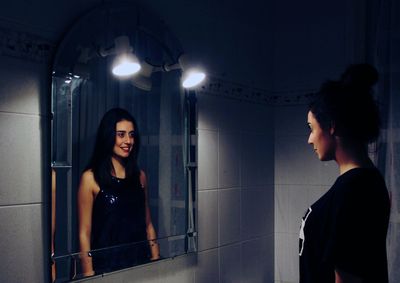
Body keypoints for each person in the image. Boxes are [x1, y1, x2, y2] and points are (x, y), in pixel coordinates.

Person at [299, 64, 390, 282]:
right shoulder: (363, 182)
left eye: (312, 128)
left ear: (331, 126)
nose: (309, 139)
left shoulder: (354, 191)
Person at [78, 108, 160, 276]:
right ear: (108, 137)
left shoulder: (140, 177)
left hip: (141, 266)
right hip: (106, 270)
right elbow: (84, 233)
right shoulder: (90, 178)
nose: (128, 141)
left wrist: (156, 262)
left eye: (131, 135)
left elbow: (148, 225)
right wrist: (88, 275)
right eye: (121, 134)